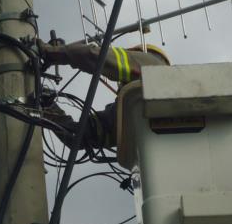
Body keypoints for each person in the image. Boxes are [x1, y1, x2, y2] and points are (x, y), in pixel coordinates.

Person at [37, 40, 170, 149]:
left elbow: (95, 56)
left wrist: (53, 52)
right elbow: (80, 136)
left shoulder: (152, 64)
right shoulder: (129, 109)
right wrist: (48, 106)